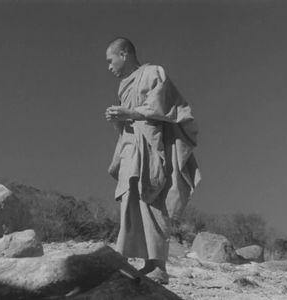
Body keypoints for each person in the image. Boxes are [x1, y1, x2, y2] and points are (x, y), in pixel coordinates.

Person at [105, 37, 201, 284]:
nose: (109, 67)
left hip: (152, 148)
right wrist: (119, 118)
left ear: (124, 54)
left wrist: (131, 113)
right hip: (131, 149)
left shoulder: (152, 73)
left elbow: (164, 108)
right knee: (130, 198)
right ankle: (128, 258)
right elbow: (132, 120)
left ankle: (157, 264)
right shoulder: (123, 86)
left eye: (110, 60)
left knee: (151, 198)